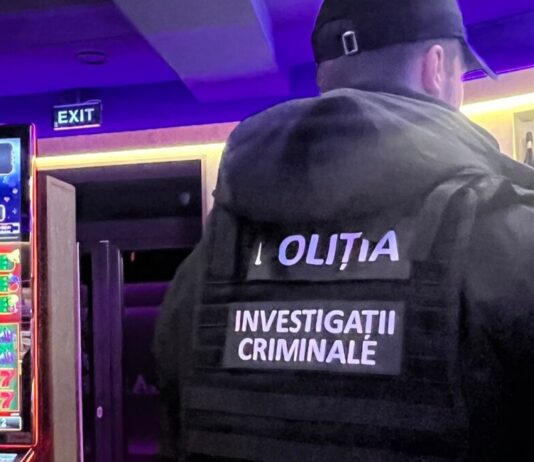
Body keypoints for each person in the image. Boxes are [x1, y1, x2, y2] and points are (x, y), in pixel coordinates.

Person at [154, 0, 534, 460]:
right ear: (435, 69)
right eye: (461, 74)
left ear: (325, 75)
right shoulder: (509, 237)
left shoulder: (207, 264)